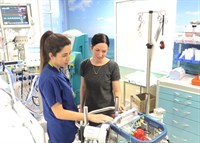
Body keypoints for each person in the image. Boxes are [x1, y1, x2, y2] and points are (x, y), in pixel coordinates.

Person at [38, 31, 113, 143]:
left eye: (69, 53)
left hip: (68, 127)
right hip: (60, 131)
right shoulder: (50, 78)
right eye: (64, 55)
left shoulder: (58, 71)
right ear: (51, 55)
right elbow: (59, 113)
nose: (68, 58)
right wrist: (89, 117)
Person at [79, 33, 125, 126]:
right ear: (91, 47)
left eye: (104, 51)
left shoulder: (112, 66)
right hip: (90, 111)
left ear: (108, 49)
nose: (100, 54)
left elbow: (117, 90)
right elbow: (83, 88)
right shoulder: (84, 65)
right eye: (97, 50)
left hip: (107, 111)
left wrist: (118, 104)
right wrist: (81, 108)